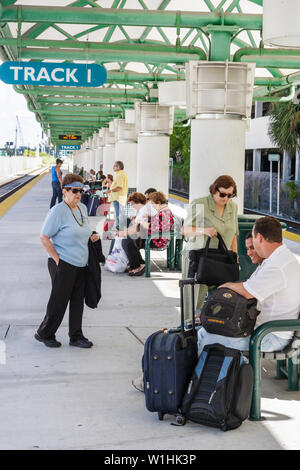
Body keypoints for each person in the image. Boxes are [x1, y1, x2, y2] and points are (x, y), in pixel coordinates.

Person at [198, 216, 300, 354]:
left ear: (259, 237)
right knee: (204, 328)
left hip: (269, 335)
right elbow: (248, 288)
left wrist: (225, 285)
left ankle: (201, 375)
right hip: (262, 328)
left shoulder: (277, 266)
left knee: (204, 337)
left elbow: (247, 291)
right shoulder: (278, 258)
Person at [35, 173, 100, 349]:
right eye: (74, 190)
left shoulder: (83, 209)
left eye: (81, 190)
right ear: (64, 191)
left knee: (78, 301)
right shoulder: (57, 211)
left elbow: (84, 230)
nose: (78, 194)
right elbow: (44, 237)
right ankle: (45, 333)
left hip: (81, 263)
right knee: (59, 301)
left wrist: (92, 235)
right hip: (63, 263)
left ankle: (76, 336)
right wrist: (57, 260)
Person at [181, 174, 239, 320]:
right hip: (199, 259)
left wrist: (235, 260)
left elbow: (233, 236)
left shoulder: (233, 207)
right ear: (214, 190)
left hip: (222, 259)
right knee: (194, 301)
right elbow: (184, 230)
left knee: (223, 298)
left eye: (230, 195)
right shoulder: (200, 204)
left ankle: (213, 329)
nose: (225, 198)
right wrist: (204, 230)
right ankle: (189, 331)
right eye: (222, 194)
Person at [118, 192, 147, 276]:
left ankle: (136, 266)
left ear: (136, 202)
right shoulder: (141, 210)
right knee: (126, 240)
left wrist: (124, 232)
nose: (132, 207)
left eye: (132, 205)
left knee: (128, 242)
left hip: (145, 236)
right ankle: (140, 263)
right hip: (144, 235)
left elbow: (137, 228)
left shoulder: (143, 211)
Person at [104, 161, 128, 230]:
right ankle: (118, 226)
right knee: (118, 213)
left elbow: (119, 187)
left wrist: (110, 190)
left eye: (114, 166)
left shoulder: (120, 175)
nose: (113, 167)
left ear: (118, 167)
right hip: (119, 197)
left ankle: (119, 227)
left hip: (119, 197)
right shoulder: (120, 174)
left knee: (119, 213)